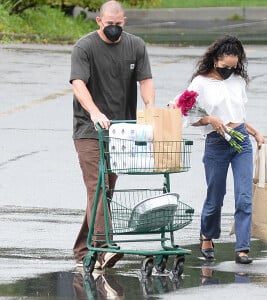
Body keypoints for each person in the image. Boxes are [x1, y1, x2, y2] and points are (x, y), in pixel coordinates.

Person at [69, 0, 155, 269]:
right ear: (99, 21)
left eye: (118, 24)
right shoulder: (84, 47)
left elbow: (146, 81)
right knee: (98, 187)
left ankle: (84, 251)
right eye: (109, 24)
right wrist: (94, 112)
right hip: (89, 129)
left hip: (120, 131)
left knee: (104, 192)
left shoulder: (136, 46)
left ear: (124, 22)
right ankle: (105, 247)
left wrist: (150, 107)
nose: (114, 29)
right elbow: (78, 84)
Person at [182, 35, 265, 264]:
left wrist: (255, 132)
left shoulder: (238, 81)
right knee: (216, 197)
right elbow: (189, 116)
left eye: (234, 66)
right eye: (225, 66)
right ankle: (207, 235)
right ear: (215, 59)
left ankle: (242, 249)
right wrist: (210, 119)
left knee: (244, 197)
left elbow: (237, 116)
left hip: (241, 143)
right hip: (216, 143)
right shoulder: (200, 82)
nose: (230, 70)